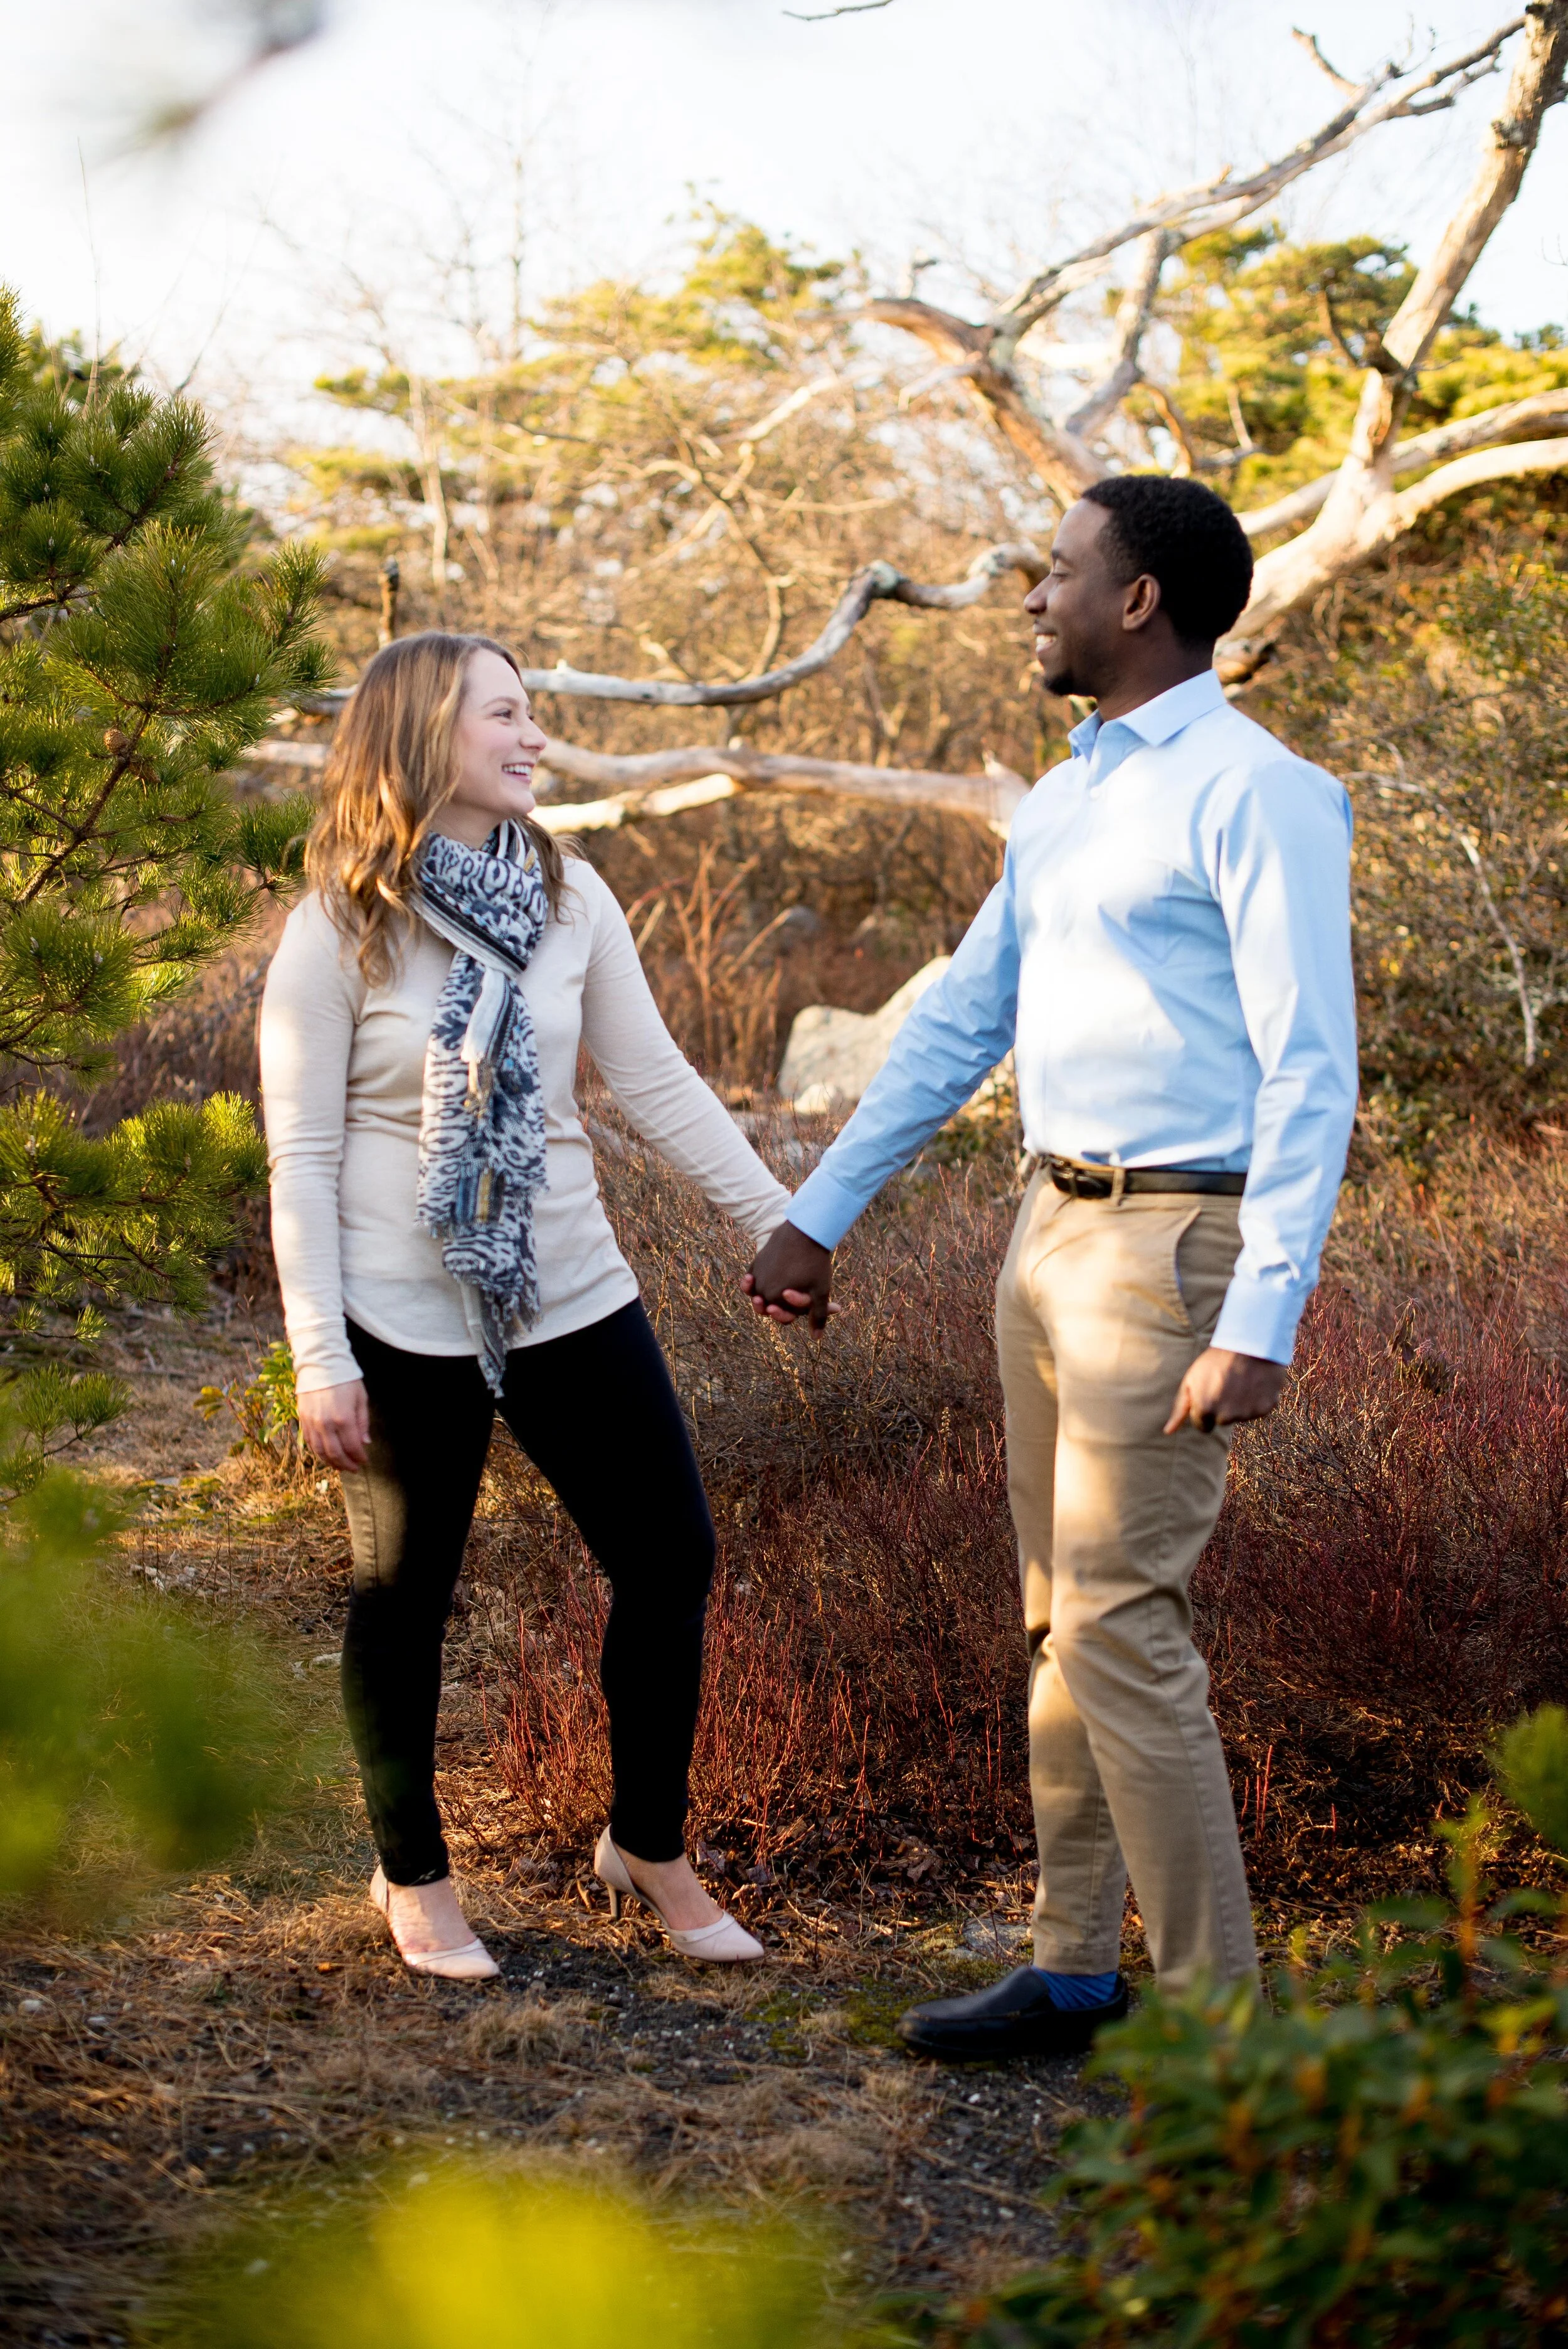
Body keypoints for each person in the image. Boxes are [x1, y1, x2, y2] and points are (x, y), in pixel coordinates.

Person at [746, 476, 1357, 2059]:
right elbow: (958, 1019)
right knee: (1052, 1613)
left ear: (1139, 599)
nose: (1032, 598)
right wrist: (822, 1208)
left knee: (1115, 1619)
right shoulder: (1065, 798)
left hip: (1173, 1242)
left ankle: (1223, 2034)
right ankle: (1075, 1966)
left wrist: (1264, 1309)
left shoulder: (1255, 789)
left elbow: (1311, 1068)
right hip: (1044, 1233)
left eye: (1059, 572)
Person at [261, 631, 790, 1980]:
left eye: (532, 714)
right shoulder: (337, 924)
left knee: (668, 1559)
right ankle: (414, 1874)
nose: (535, 737)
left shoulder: (572, 898)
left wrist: (779, 1222)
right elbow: (303, 1157)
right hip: (399, 1313)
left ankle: (647, 1844)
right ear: (427, 734)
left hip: (567, 1289)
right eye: (507, 714)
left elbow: (655, 1083)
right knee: (404, 1596)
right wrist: (321, 1354)